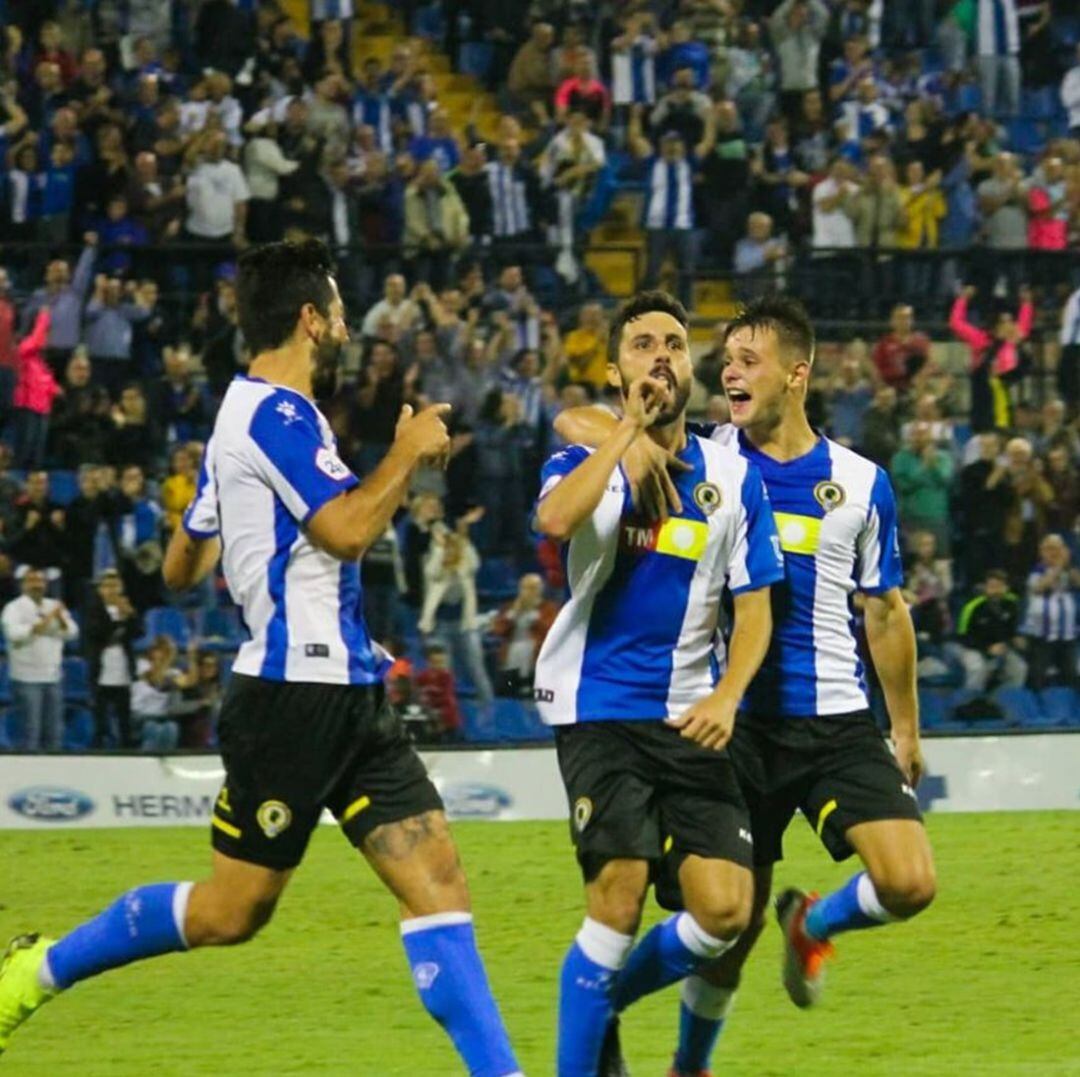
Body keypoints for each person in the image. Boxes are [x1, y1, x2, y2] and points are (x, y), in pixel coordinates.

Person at [0, 239, 522, 1077]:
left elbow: (178, 571)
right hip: (291, 696)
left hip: (348, 688)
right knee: (231, 911)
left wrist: (228, 522)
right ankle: (38, 969)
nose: (348, 323)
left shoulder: (242, 418)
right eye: (340, 309)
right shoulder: (275, 417)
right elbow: (347, 532)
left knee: (439, 881)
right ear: (312, 320)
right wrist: (411, 452)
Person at [556, 295, 935, 1076]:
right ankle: (681, 1059)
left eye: (748, 360)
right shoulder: (708, 451)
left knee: (910, 880)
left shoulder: (862, 482)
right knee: (731, 922)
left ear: (796, 375)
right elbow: (582, 420)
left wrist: (905, 727)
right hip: (735, 726)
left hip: (835, 719)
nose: (730, 371)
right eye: (724, 359)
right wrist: (623, 436)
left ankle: (816, 923)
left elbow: (887, 611)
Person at [536, 290, 783, 1076]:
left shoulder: (734, 478)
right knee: (618, 894)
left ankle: (600, 998)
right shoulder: (587, 457)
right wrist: (626, 436)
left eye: (674, 343)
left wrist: (727, 695)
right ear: (616, 370)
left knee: (725, 912)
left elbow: (755, 612)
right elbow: (554, 521)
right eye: (643, 344)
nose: (662, 356)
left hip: (689, 716)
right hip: (598, 708)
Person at [0, 568, 79, 751]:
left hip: (53, 677)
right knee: (30, 732)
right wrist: (46, 622)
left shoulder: (54, 606)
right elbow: (15, 635)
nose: (37, 585)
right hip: (26, 679)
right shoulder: (13, 608)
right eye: (32, 581)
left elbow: (72, 633)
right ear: (23, 585)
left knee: (54, 732)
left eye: (40, 581)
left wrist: (60, 619)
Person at [83, 568, 141, 749]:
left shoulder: (126, 608)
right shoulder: (93, 609)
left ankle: (126, 746)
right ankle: (99, 747)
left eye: (115, 585)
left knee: (124, 715)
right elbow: (97, 632)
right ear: (100, 589)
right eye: (107, 586)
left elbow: (139, 632)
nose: (111, 590)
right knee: (101, 716)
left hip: (122, 668)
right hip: (101, 669)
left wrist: (130, 616)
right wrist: (120, 621)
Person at [1021, 534, 1079, 692]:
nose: (1055, 553)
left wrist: (1068, 565)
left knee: (1071, 676)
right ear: (1042, 551)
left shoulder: (1068, 570)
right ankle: (1033, 712)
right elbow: (1040, 587)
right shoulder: (1037, 570)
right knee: (1037, 676)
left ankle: (1070, 710)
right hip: (1042, 635)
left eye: (1058, 548)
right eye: (1050, 549)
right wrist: (1059, 566)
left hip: (1066, 634)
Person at [955, 568, 1027, 693]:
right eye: (992, 587)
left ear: (1006, 587)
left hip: (1001, 648)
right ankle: (972, 701)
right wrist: (987, 648)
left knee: (1020, 668)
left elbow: (1013, 630)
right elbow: (963, 638)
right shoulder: (972, 607)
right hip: (972, 648)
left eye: (1000, 586)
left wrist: (1016, 639)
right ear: (985, 588)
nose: (996, 591)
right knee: (977, 668)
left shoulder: (1012, 603)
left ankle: (1008, 700)